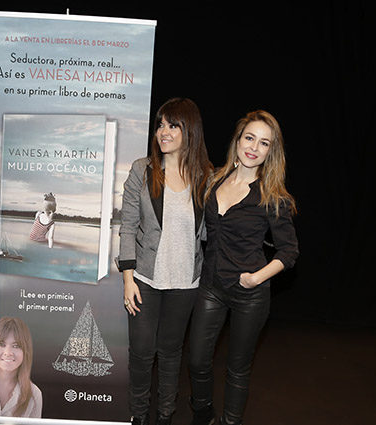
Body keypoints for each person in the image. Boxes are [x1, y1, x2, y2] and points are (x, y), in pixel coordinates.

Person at [187, 110, 299, 425]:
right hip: (211, 286)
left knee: (238, 367)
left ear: (270, 152)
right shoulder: (215, 179)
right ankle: (202, 415)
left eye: (264, 143)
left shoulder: (271, 195)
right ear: (238, 140)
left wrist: (256, 278)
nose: (253, 147)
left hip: (250, 295)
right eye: (249, 138)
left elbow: (289, 251)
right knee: (197, 361)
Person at [117, 98, 213, 425]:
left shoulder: (206, 177)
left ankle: (165, 415)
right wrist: (128, 279)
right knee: (142, 354)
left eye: (173, 125)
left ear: (190, 130)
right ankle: (139, 416)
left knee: (171, 355)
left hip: (186, 283)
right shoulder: (142, 170)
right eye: (160, 124)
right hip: (145, 279)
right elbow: (127, 225)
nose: (163, 132)